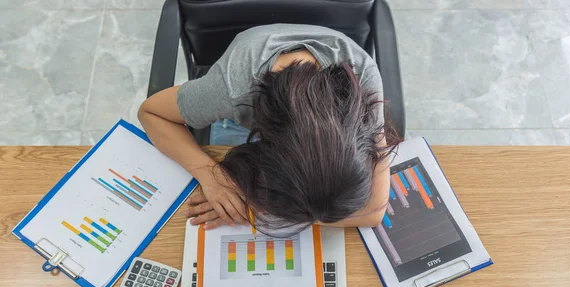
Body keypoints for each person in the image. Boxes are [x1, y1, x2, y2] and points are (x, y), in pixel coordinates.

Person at [138, 24, 400, 232]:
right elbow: (150, 113)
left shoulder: (362, 91)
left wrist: (257, 207)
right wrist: (210, 175)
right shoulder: (231, 90)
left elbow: (374, 212)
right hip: (252, 90)